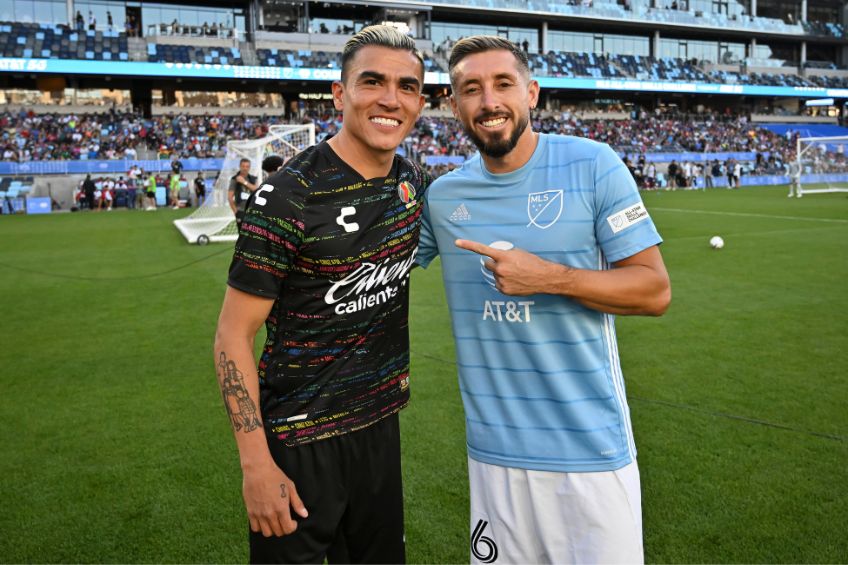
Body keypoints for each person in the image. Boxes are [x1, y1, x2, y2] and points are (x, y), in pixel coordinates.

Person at [416, 36, 671, 564]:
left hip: (592, 454)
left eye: (503, 84)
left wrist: (552, 278)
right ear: (453, 104)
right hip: (495, 458)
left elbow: (653, 289)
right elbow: (371, 267)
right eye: (471, 89)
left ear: (531, 92)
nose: (489, 101)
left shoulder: (594, 164)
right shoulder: (442, 198)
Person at [213, 25, 428, 564]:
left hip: (380, 427)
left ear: (420, 102)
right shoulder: (288, 194)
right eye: (372, 81)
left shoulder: (413, 184)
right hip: (299, 442)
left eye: (406, 86)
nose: (390, 99)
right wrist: (256, 464)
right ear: (339, 93)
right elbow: (232, 336)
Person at [227, 158, 258, 227]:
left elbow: (256, 190)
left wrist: (244, 182)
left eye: (247, 166)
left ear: (249, 167)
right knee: (242, 234)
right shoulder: (234, 179)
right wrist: (235, 211)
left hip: (252, 210)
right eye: (243, 166)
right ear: (240, 167)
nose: (245, 168)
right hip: (240, 210)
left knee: (253, 234)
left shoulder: (253, 178)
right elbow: (230, 197)